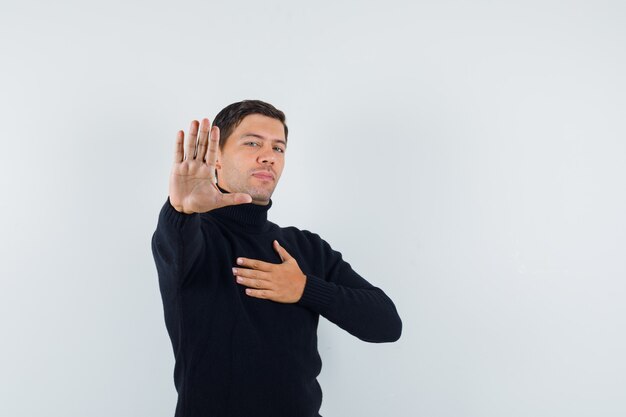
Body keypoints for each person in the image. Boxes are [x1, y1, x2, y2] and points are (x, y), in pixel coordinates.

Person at [151, 99, 402, 417]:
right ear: (215, 158)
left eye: (278, 148)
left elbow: (387, 324)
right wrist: (181, 211)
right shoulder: (195, 236)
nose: (268, 156)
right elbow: (176, 247)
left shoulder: (306, 247)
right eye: (252, 142)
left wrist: (304, 289)